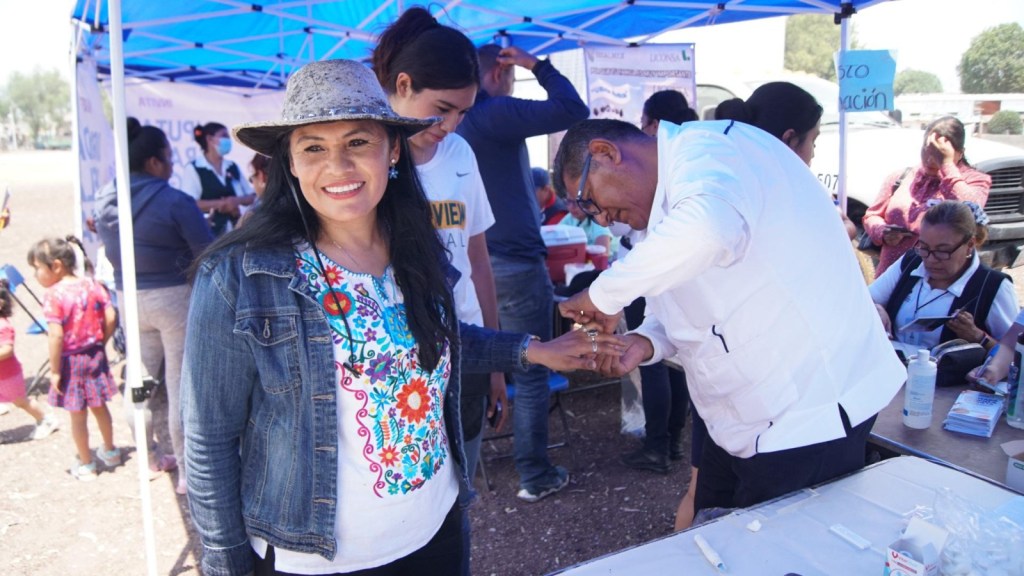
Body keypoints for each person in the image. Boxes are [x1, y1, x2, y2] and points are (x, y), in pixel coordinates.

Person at [180, 59, 622, 576]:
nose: (338, 167)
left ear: (392, 150)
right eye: (314, 148)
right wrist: (225, 566)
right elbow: (208, 440)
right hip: (314, 560)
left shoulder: (417, 249)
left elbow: (434, 340)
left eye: (358, 142)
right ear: (290, 163)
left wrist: (534, 349)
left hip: (435, 533)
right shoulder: (239, 276)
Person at [551, 118, 906, 518]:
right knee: (714, 540)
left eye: (587, 200)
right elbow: (675, 303)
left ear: (605, 153)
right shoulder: (664, 208)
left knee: (783, 554)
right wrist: (645, 342)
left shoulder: (711, 151)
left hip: (806, 417)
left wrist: (602, 294)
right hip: (737, 422)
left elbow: (709, 232)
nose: (599, 219)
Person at [456, 42, 589, 502]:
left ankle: (471, 470)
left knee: (485, 360)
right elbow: (573, 108)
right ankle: (535, 473)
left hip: (477, 262)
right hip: (513, 260)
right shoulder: (492, 113)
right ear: (499, 71)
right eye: (510, 73)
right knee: (532, 368)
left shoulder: (461, 125)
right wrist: (535, 63)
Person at [94, 117, 214, 492]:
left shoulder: (105, 198)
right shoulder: (175, 200)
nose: (172, 164)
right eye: (168, 157)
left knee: (140, 382)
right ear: (153, 162)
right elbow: (206, 252)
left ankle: (148, 458)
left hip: (129, 297)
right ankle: (189, 475)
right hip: (174, 298)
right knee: (181, 386)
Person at [28, 236, 121, 481]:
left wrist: (56, 371)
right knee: (100, 406)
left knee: (77, 415)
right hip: (95, 354)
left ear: (56, 265)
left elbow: (55, 336)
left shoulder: (53, 295)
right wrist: (102, 341)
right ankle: (111, 451)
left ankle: (87, 463)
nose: (36, 274)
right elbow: (111, 316)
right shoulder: (91, 285)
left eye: (37, 267)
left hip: (71, 361)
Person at [870, 200, 1016, 351]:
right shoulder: (911, 262)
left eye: (942, 251)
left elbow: (1014, 355)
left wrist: (979, 337)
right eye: (924, 248)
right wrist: (876, 308)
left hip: (949, 374)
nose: (931, 259)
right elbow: (866, 299)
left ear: (970, 246)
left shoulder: (993, 286)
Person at [862, 116, 992, 275]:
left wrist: (946, 165)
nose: (930, 159)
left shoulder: (975, 180)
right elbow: (872, 216)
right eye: (926, 150)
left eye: (938, 154)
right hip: (892, 276)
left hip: (939, 280)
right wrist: (883, 232)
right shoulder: (901, 177)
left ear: (959, 153)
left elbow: (970, 208)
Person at [0, 279, 59, 440]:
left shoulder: (4, 326)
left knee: (21, 402)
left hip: (8, 376)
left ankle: (45, 419)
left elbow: (7, 350)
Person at [179, 121, 256, 237]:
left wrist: (235, 201)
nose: (228, 140)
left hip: (236, 231)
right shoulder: (194, 168)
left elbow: (251, 196)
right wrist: (221, 204)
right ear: (209, 139)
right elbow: (189, 203)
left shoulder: (232, 166)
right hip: (209, 233)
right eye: (224, 136)